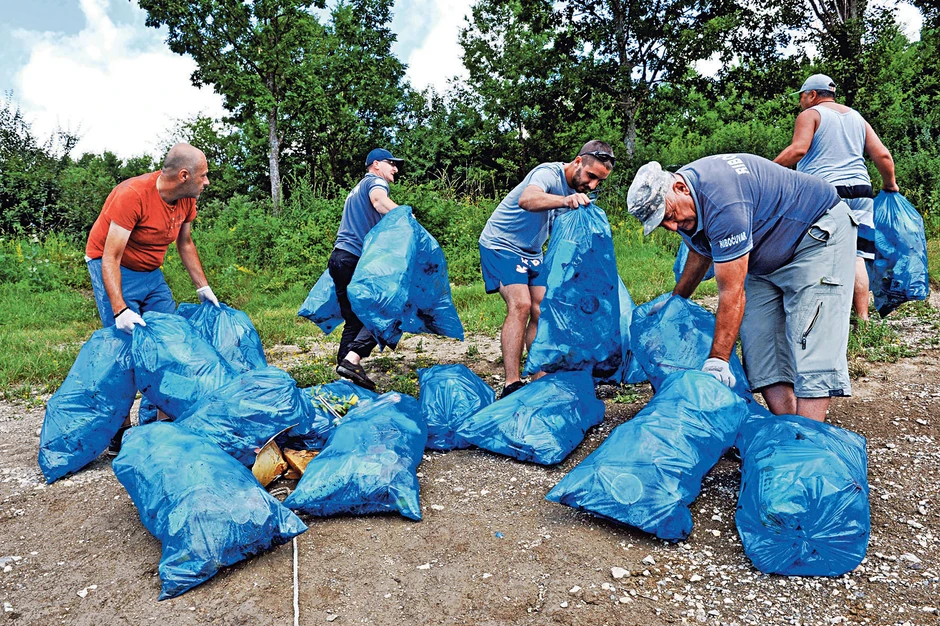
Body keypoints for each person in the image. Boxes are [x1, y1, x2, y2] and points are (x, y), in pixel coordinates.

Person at [628, 154, 856, 422]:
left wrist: (718, 360)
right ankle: (788, 427)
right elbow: (700, 253)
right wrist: (676, 301)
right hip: (764, 253)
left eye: (669, 215)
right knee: (760, 345)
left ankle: (804, 441)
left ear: (680, 188)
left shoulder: (722, 201)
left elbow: (731, 293)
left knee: (811, 339)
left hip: (815, 237)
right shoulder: (687, 202)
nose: (672, 226)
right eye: (662, 224)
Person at [84, 142, 217, 453]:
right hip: (113, 265)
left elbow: (184, 243)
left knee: (170, 342)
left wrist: (203, 287)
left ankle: (159, 423)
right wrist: (119, 310)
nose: (207, 181)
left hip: (150, 271)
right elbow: (110, 257)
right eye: (204, 175)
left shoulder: (185, 201)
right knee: (125, 351)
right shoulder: (132, 195)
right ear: (184, 175)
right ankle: (119, 430)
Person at [478, 140, 615, 399]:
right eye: (591, 176)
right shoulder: (547, 173)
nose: (593, 185)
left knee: (542, 308)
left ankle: (540, 376)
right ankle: (511, 383)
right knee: (521, 304)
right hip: (501, 243)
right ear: (577, 161)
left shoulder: (574, 189)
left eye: (599, 181)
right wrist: (565, 200)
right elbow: (527, 199)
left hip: (532, 251)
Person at [774, 73, 899, 322]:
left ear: (812, 95)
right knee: (856, 255)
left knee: (814, 252)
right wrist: (890, 185)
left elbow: (798, 149)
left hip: (825, 193)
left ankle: (818, 316)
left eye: (801, 97)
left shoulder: (810, 115)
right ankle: (863, 319)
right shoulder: (856, 117)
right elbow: (883, 156)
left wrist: (767, 171)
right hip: (862, 192)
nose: (800, 102)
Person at [330, 148, 403, 391]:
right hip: (354, 260)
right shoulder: (374, 182)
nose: (394, 169)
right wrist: (404, 216)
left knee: (353, 318)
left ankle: (344, 375)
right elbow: (379, 201)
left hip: (339, 258)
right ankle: (353, 359)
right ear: (375, 165)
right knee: (386, 308)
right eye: (390, 163)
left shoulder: (355, 190)